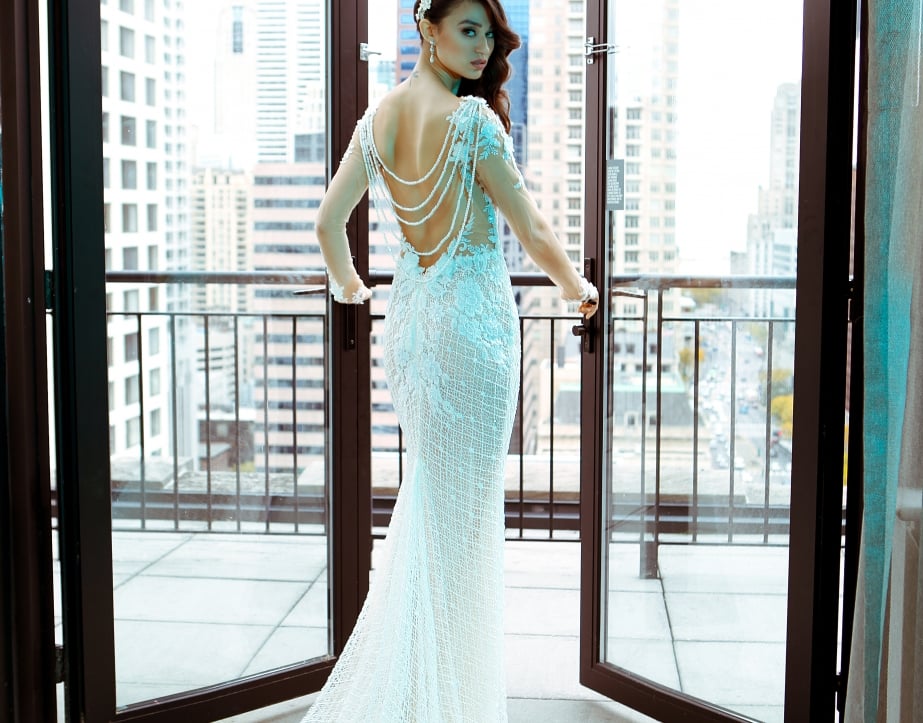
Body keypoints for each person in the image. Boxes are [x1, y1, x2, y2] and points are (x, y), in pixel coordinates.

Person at [302, 0, 598, 719]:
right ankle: (443, 695)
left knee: (435, 502)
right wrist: (578, 287)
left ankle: (421, 688)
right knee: (459, 521)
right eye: (467, 29)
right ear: (425, 28)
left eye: (488, 34)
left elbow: (327, 223)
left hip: (413, 323)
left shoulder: (376, 123)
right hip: (472, 330)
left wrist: (353, 287)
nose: (481, 45)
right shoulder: (471, 122)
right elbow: (527, 227)